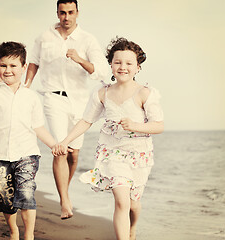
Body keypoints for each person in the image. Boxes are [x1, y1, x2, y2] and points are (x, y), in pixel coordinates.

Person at [52, 37, 164, 240]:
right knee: (121, 201)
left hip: (139, 156)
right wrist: (65, 141)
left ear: (138, 67)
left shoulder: (145, 93)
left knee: (133, 203)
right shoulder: (102, 93)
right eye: (118, 62)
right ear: (110, 64)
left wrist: (135, 125)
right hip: (112, 153)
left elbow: (159, 125)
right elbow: (86, 121)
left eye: (129, 63)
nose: (123, 67)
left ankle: (132, 228)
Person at [25, 0, 108, 219]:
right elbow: (33, 62)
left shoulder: (87, 39)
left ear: (77, 13)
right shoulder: (44, 37)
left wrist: (79, 59)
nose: (66, 17)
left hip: (80, 102)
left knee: (73, 154)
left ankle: (65, 189)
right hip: (53, 98)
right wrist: (26, 86)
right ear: (57, 13)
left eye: (71, 12)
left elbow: (100, 71)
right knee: (60, 148)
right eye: (62, 13)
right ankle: (64, 200)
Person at [0, 42, 57, 240]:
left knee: (26, 193)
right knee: (5, 198)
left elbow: (39, 127)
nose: (8, 70)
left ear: (24, 68)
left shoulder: (31, 98)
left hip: (26, 153)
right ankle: (13, 230)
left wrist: (54, 145)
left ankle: (29, 235)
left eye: (13, 65)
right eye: (3, 65)